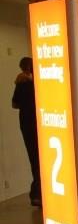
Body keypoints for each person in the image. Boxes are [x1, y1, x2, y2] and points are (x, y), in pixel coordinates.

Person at [11, 57, 40, 207]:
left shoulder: (21, 83)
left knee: (34, 159)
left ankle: (36, 194)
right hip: (37, 124)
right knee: (39, 159)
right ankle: (38, 193)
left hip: (26, 124)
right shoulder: (34, 83)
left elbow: (14, 104)